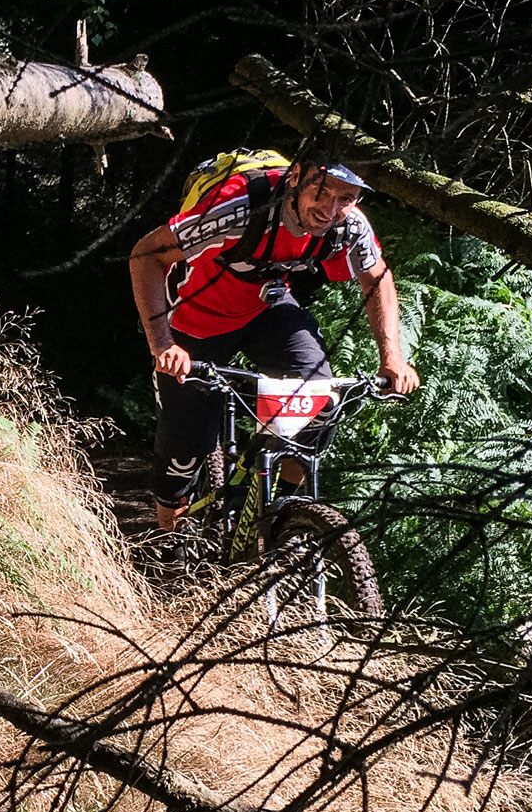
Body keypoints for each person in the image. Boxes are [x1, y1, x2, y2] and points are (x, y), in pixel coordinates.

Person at [129, 150, 420, 557]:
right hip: (194, 321)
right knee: (184, 448)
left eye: (346, 198)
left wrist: (392, 356)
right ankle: (169, 535)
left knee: (320, 397)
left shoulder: (348, 223)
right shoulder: (236, 209)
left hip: (265, 308)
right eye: (322, 192)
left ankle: (279, 512)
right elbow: (146, 255)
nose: (331, 208)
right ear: (295, 178)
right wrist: (162, 344)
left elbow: (377, 277)